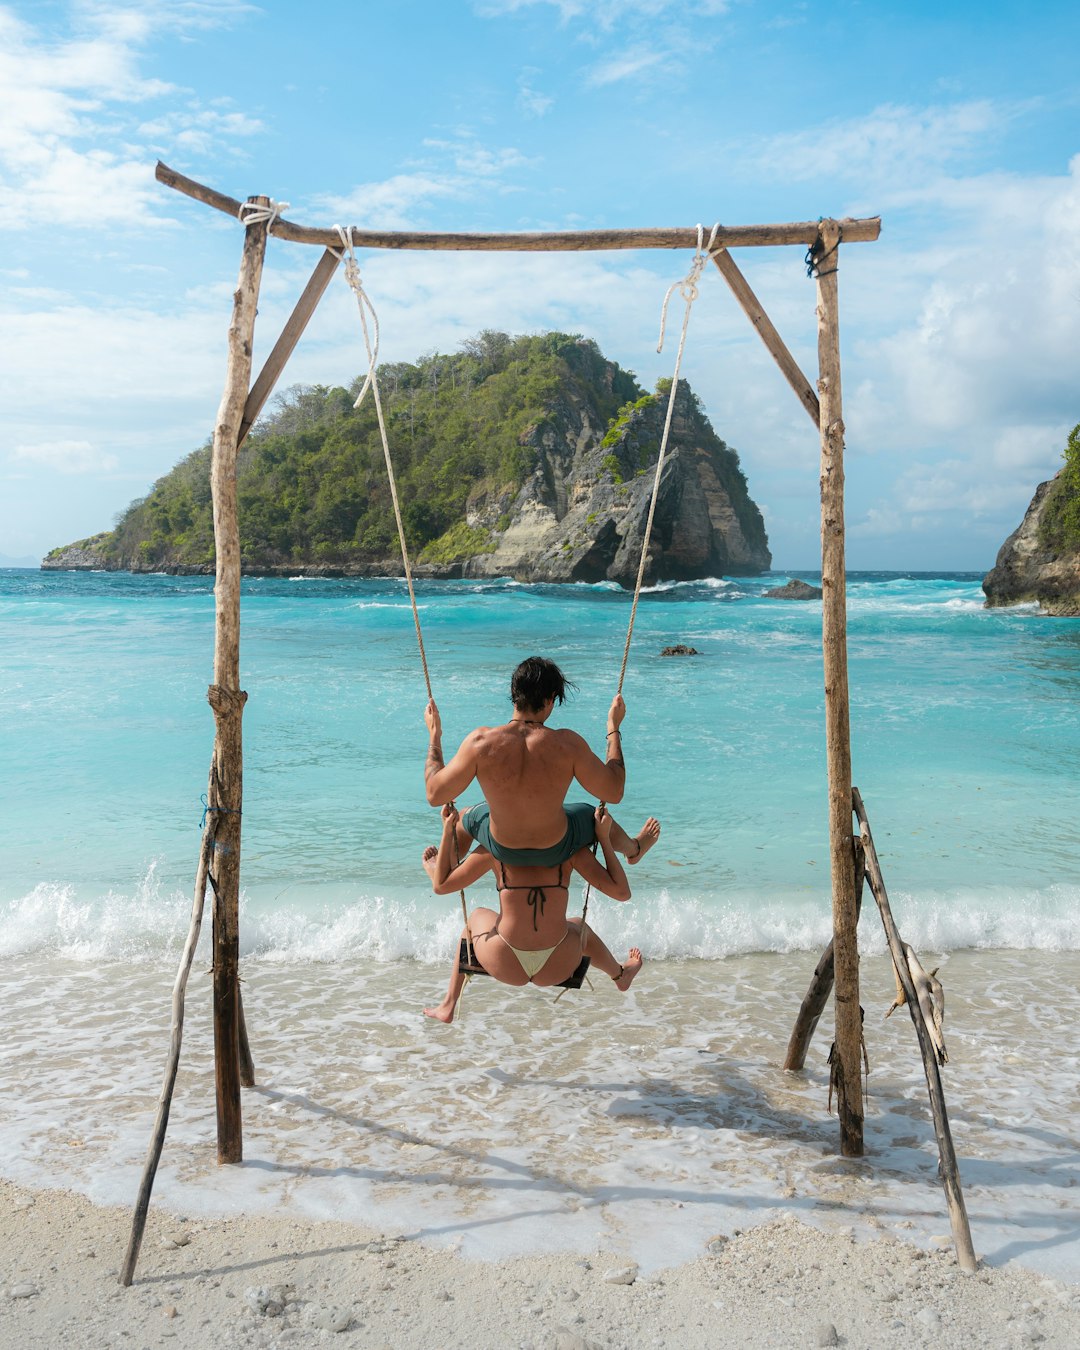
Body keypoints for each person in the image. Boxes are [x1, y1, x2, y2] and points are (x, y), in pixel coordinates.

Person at [423, 656, 660, 867]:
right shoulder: (568, 744)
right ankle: (634, 849)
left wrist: (435, 735)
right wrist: (614, 729)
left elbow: (435, 794)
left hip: (501, 845)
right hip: (554, 846)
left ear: (514, 697)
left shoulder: (480, 742)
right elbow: (614, 792)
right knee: (591, 814)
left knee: (465, 817)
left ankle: (445, 866)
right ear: (550, 700)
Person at [422, 802, 643, 1023]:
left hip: (504, 961)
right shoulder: (570, 850)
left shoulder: (493, 851)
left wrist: (447, 830)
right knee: (579, 927)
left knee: (475, 918)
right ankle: (620, 975)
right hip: (558, 964)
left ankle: (448, 1004)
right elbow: (622, 892)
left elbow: (443, 885)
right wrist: (603, 838)